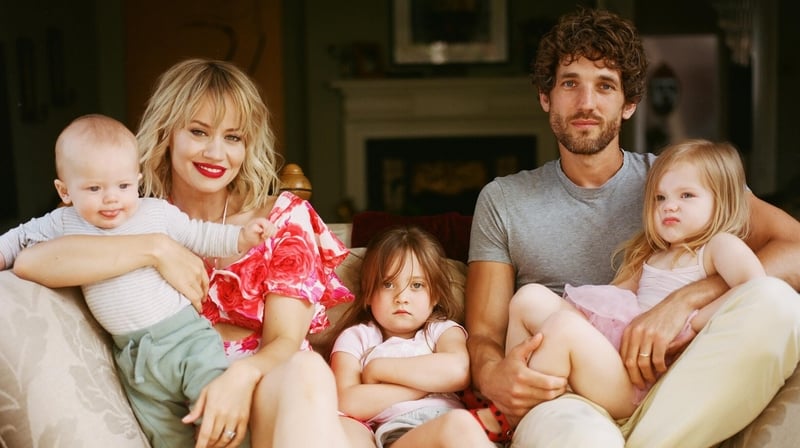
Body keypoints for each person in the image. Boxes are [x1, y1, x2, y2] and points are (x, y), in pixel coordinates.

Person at [465, 7, 800, 448]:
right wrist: (494, 377)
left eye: (605, 85)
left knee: (776, 302)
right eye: (570, 83)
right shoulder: (503, 199)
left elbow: (794, 245)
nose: (586, 103)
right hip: (567, 395)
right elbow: (485, 334)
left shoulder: (677, 181)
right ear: (546, 97)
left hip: (676, 380)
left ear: (629, 104)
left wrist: (681, 302)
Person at [11, 59, 376, 448]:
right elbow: (30, 261)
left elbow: (285, 341)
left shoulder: (281, 218)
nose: (216, 153)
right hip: (185, 409)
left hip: (278, 392)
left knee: (305, 368)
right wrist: (154, 248)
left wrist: (238, 378)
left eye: (233, 137)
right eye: (199, 132)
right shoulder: (127, 215)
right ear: (168, 133)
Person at [0, 113, 277, 447]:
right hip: (133, 358)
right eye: (94, 188)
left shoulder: (155, 213)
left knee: (213, 414)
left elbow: (201, 235)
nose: (111, 198)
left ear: (137, 179)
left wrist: (241, 238)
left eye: (123, 186)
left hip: (185, 339)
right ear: (65, 190)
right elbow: (16, 242)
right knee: (166, 435)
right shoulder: (62, 223)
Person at [330, 226, 494, 448]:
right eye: (388, 284)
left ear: (434, 295)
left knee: (460, 425)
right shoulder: (357, 337)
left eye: (416, 285)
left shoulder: (441, 330)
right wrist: (429, 384)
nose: (402, 297)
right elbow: (348, 401)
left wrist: (378, 369)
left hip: (454, 427)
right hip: (400, 431)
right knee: (459, 424)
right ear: (368, 293)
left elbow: (458, 371)